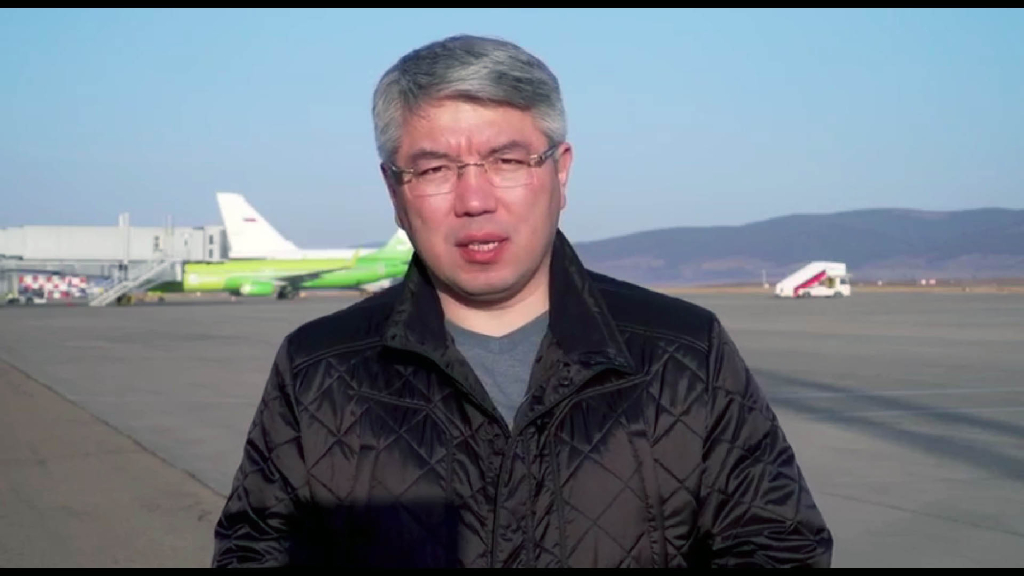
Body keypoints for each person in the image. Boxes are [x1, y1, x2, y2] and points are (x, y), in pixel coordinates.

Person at [211, 34, 833, 568]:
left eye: (507, 160)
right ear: (395, 192)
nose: (474, 199)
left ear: (561, 173)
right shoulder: (317, 369)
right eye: (434, 170)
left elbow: (779, 545)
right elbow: (256, 551)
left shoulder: (686, 352)